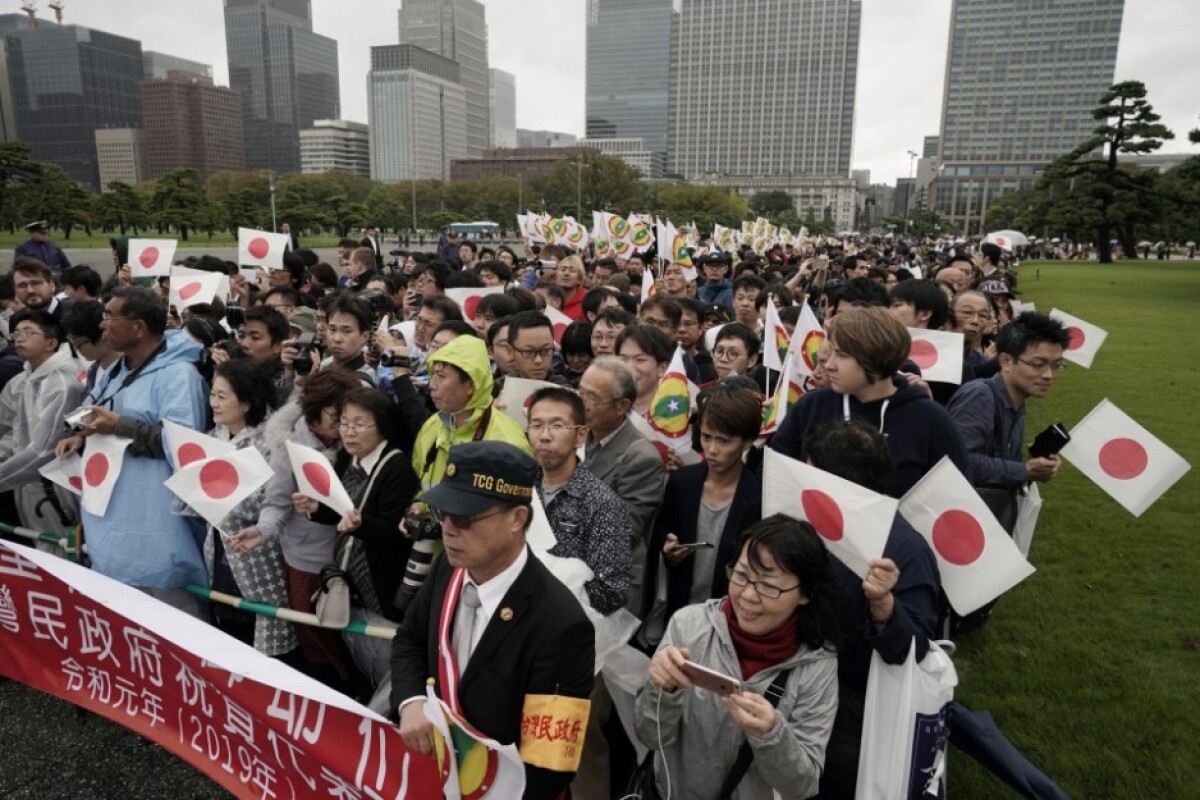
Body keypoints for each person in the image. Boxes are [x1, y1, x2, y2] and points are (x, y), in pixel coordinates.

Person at [391, 441, 595, 800]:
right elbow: (409, 638)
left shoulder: (562, 625)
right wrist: (410, 702)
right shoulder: (449, 569)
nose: (449, 529)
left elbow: (549, 764)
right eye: (442, 513)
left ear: (518, 518)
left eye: (465, 517)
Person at [634, 515, 840, 800]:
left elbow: (802, 787)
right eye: (742, 575)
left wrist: (772, 735)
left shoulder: (817, 666)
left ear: (805, 593)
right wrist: (662, 689)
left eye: (769, 586)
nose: (748, 596)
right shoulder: (690, 626)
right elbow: (649, 735)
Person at [803, 419, 941, 798]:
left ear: (838, 485)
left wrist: (884, 606)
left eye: (810, 471)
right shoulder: (808, 522)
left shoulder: (906, 552)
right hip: (794, 688)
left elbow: (916, 652)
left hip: (853, 712)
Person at [54, 286, 209, 616]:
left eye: (110, 317)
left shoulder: (179, 375)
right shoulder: (114, 370)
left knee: (174, 619)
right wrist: (80, 433)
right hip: (112, 515)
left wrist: (120, 426)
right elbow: (95, 407)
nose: (102, 325)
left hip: (157, 521)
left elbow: (184, 446)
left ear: (138, 327)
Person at [294, 387, 420, 711]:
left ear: (382, 425)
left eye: (360, 424)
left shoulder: (397, 467)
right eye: (344, 423)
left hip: (383, 583)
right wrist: (314, 507)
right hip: (354, 584)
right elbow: (341, 508)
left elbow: (397, 533)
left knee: (387, 661)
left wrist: (360, 525)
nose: (349, 432)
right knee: (361, 655)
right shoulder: (350, 459)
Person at [770, 306, 969, 498]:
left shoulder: (930, 420)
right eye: (831, 353)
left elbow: (954, 499)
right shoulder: (812, 405)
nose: (829, 365)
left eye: (841, 355)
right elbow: (776, 473)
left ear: (873, 360)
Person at [183, 360, 296, 657]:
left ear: (246, 403)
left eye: (223, 396)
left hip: (259, 551)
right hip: (219, 549)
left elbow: (275, 501)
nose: (214, 403)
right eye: (212, 395)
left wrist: (220, 494)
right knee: (226, 637)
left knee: (261, 642)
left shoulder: (272, 441)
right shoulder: (212, 437)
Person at [258, 369, 362, 685]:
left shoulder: (354, 442)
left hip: (353, 556)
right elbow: (275, 503)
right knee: (318, 638)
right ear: (313, 413)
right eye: (335, 416)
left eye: (349, 416)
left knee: (354, 637)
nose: (344, 424)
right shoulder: (290, 451)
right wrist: (261, 531)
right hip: (307, 562)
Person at [649, 386, 764, 624]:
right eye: (706, 437)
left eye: (723, 441)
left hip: (728, 618)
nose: (712, 449)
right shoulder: (682, 483)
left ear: (746, 442)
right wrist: (668, 547)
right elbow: (662, 528)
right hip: (679, 612)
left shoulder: (757, 498)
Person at [947, 311, 1070, 513]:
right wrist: (1023, 470)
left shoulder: (1017, 400)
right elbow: (958, 461)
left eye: (1057, 366)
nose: (1049, 375)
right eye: (1038, 365)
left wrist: (1036, 466)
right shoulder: (979, 396)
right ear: (1005, 361)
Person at [578, 357, 667, 614]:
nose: (581, 403)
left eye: (592, 397)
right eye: (579, 392)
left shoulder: (640, 457)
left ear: (622, 406)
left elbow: (622, 533)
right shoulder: (577, 435)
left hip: (607, 583)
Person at [0, 310, 85, 553]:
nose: (20, 338)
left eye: (29, 332)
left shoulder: (63, 384)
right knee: (41, 551)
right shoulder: (19, 382)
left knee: (61, 553)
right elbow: (7, 431)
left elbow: (44, 449)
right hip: (21, 481)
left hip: (54, 485)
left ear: (51, 342)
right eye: (16, 333)